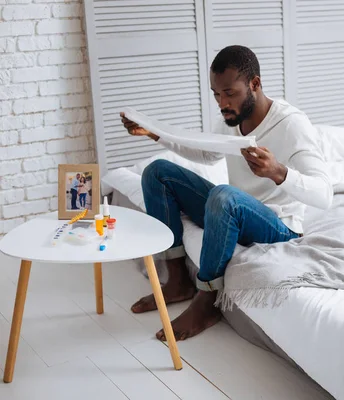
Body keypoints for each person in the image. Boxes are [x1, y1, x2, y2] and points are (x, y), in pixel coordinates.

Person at [120, 45, 332, 341]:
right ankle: (178, 280)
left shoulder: (292, 124)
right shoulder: (232, 118)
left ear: (254, 84)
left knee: (224, 195)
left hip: (278, 226)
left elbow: (324, 193)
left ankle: (207, 299)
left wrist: (278, 172)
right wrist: (155, 134)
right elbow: (207, 155)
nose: (222, 102)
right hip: (233, 212)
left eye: (229, 93)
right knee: (158, 172)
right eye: (216, 94)